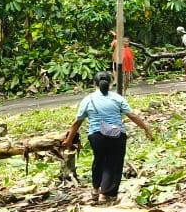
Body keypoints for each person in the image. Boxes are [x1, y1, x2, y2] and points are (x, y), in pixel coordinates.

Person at [65, 71, 155, 203]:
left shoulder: (88, 100)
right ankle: (105, 194)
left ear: (94, 84)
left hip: (96, 136)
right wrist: (146, 128)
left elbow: (77, 122)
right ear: (111, 83)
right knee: (113, 164)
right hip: (116, 135)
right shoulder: (117, 98)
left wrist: (68, 140)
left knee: (99, 161)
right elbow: (133, 116)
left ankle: (95, 189)